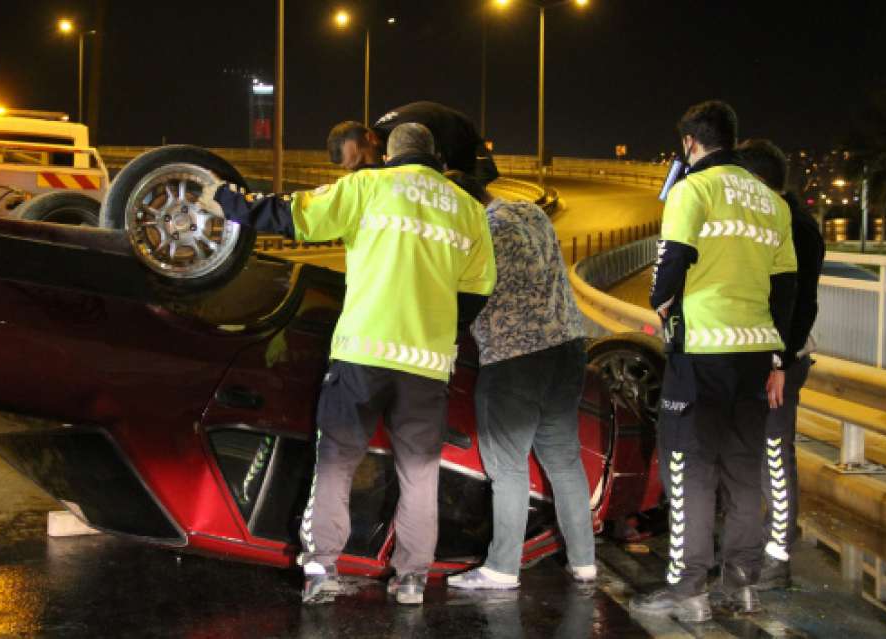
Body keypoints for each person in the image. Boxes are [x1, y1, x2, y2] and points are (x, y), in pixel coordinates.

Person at [212, 123, 497, 605]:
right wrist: (442, 331)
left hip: (363, 353)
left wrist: (228, 201)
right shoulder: (469, 210)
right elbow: (477, 290)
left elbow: (292, 216)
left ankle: (322, 569)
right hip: (427, 363)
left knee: (338, 463)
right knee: (420, 472)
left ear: (389, 153)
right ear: (434, 155)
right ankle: (411, 579)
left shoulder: (367, 187)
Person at [630, 101, 798, 622]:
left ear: (690, 143)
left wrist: (662, 305)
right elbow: (786, 288)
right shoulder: (772, 202)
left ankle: (688, 590)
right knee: (744, 470)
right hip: (754, 352)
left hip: (702, 350)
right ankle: (741, 584)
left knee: (689, 470)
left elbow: (671, 261)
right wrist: (778, 355)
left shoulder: (692, 190)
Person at [442, 176, 598, 592]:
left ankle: (501, 568)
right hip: (566, 348)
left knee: (507, 468)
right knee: (564, 460)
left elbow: (460, 297)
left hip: (513, 360)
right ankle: (585, 562)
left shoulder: (479, 232)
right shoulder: (530, 212)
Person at [737, 138, 826, 591]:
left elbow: (802, 304)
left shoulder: (797, 226)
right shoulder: (768, 219)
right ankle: (755, 546)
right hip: (758, 354)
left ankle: (777, 557)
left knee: (774, 453)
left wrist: (781, 363)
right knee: (753, 453)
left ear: (756, 181)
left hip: (784, 359)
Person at [327, 101, 500, 185]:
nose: (364, 170)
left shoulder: (406, 139)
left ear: (370, 138)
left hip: (464, 147)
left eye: (362, 162)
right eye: (355, 169)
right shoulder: (383, 139)